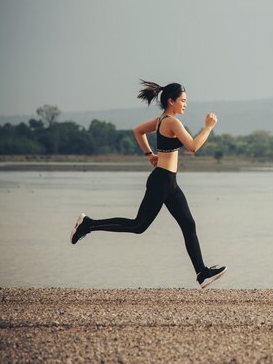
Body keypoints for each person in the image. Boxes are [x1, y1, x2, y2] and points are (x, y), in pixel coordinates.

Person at [70, 80, 227, 289]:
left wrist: (149, 155)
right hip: (161, 181)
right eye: (183, 100)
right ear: (171, 101)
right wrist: (208, 127)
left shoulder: (162, 120)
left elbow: (138, 131)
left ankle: (202, 273)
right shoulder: (171, 122)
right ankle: (88, 224)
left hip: (170, 182)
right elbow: (193, 146)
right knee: (138, 226)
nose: (185, 104)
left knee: (189, 224)